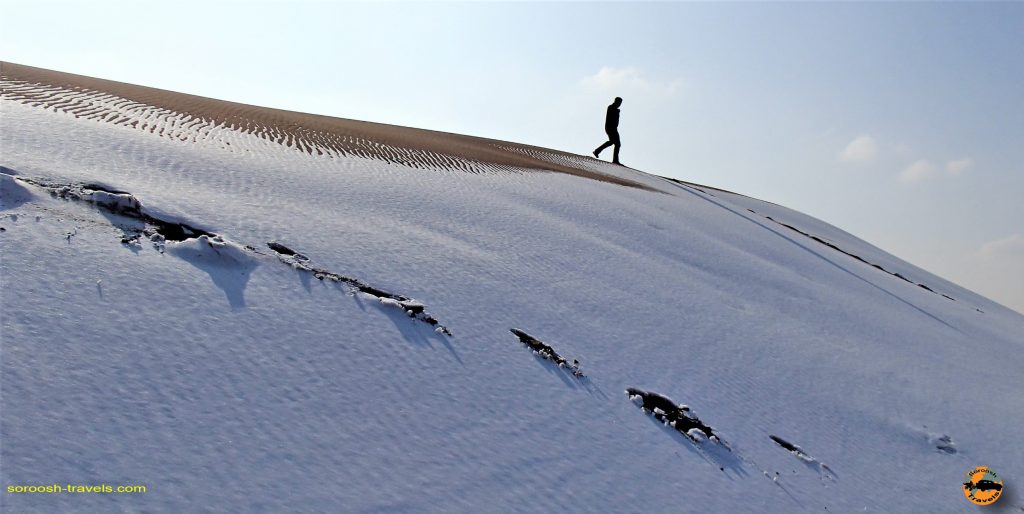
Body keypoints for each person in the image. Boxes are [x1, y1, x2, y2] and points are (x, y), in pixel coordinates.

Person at [593, 97, 622, 164]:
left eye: (620, 103)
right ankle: (615, 160)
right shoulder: (611, 107)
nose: (619, 104)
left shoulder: (615, 109)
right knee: (617, 144)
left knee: (612, 142)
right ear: (616, 101)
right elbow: (613, 118)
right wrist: (617, 112)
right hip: (610, 128)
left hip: (613, 128)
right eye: (619, 103)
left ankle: (597, 151)